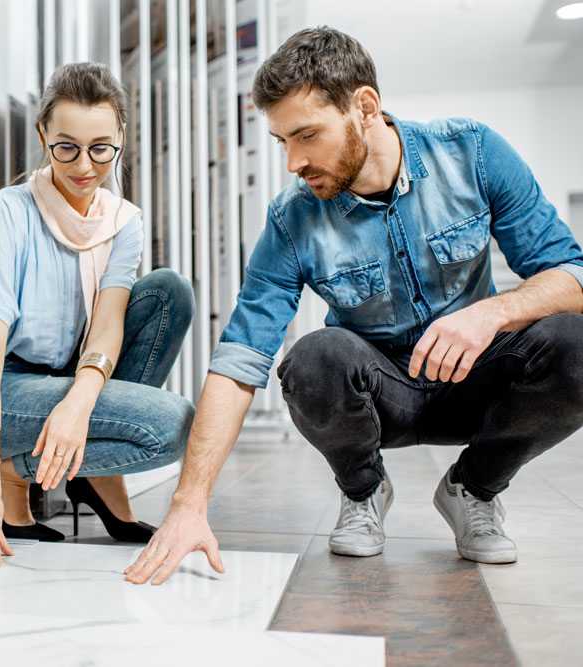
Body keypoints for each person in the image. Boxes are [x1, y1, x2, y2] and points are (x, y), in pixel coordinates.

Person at [124, 26, 583, 584]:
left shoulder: (474, 153)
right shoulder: (292, 218)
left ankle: (475, 488)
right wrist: (187, 505)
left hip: (477, 381)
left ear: (364, 106)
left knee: (576, 344)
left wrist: (491, 313)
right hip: (379, 396)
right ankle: (363, 491)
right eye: (282, 141)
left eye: (307, 135)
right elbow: (239, 359)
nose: (293, 161)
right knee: (314, 357)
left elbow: (572, 275)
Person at [0, 62, 196, 569]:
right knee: (171, 425)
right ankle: (14, 476)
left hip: (57, 381)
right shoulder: (6, 215)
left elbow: (107, 325)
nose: (84, 166)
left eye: (101, 148)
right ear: (42, 135)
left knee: (169, 293)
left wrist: (80, 404)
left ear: (121, 135)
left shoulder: (121, 223)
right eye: (66, 147)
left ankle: (91, 473)